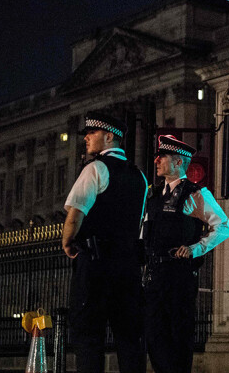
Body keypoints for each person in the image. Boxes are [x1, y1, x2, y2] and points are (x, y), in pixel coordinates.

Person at [61, 111, 148, 373]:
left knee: (88, 335)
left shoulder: (95, 168)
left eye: (92, 133)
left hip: (95, 265)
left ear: (109, 136)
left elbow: (75, 214)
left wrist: (68, 242)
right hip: (128, 267)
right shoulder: (140, 176)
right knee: (130, 337)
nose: (86, 137)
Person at [143, 134, 229, 373]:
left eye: (162, 157)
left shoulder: (195, 193)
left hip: (178, 275)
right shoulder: (153, 195)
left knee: (177, 336)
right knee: (153, 335)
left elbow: (224, 226)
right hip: (154, 274)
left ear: (179, 162)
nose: (157, 161)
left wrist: (195, 249)